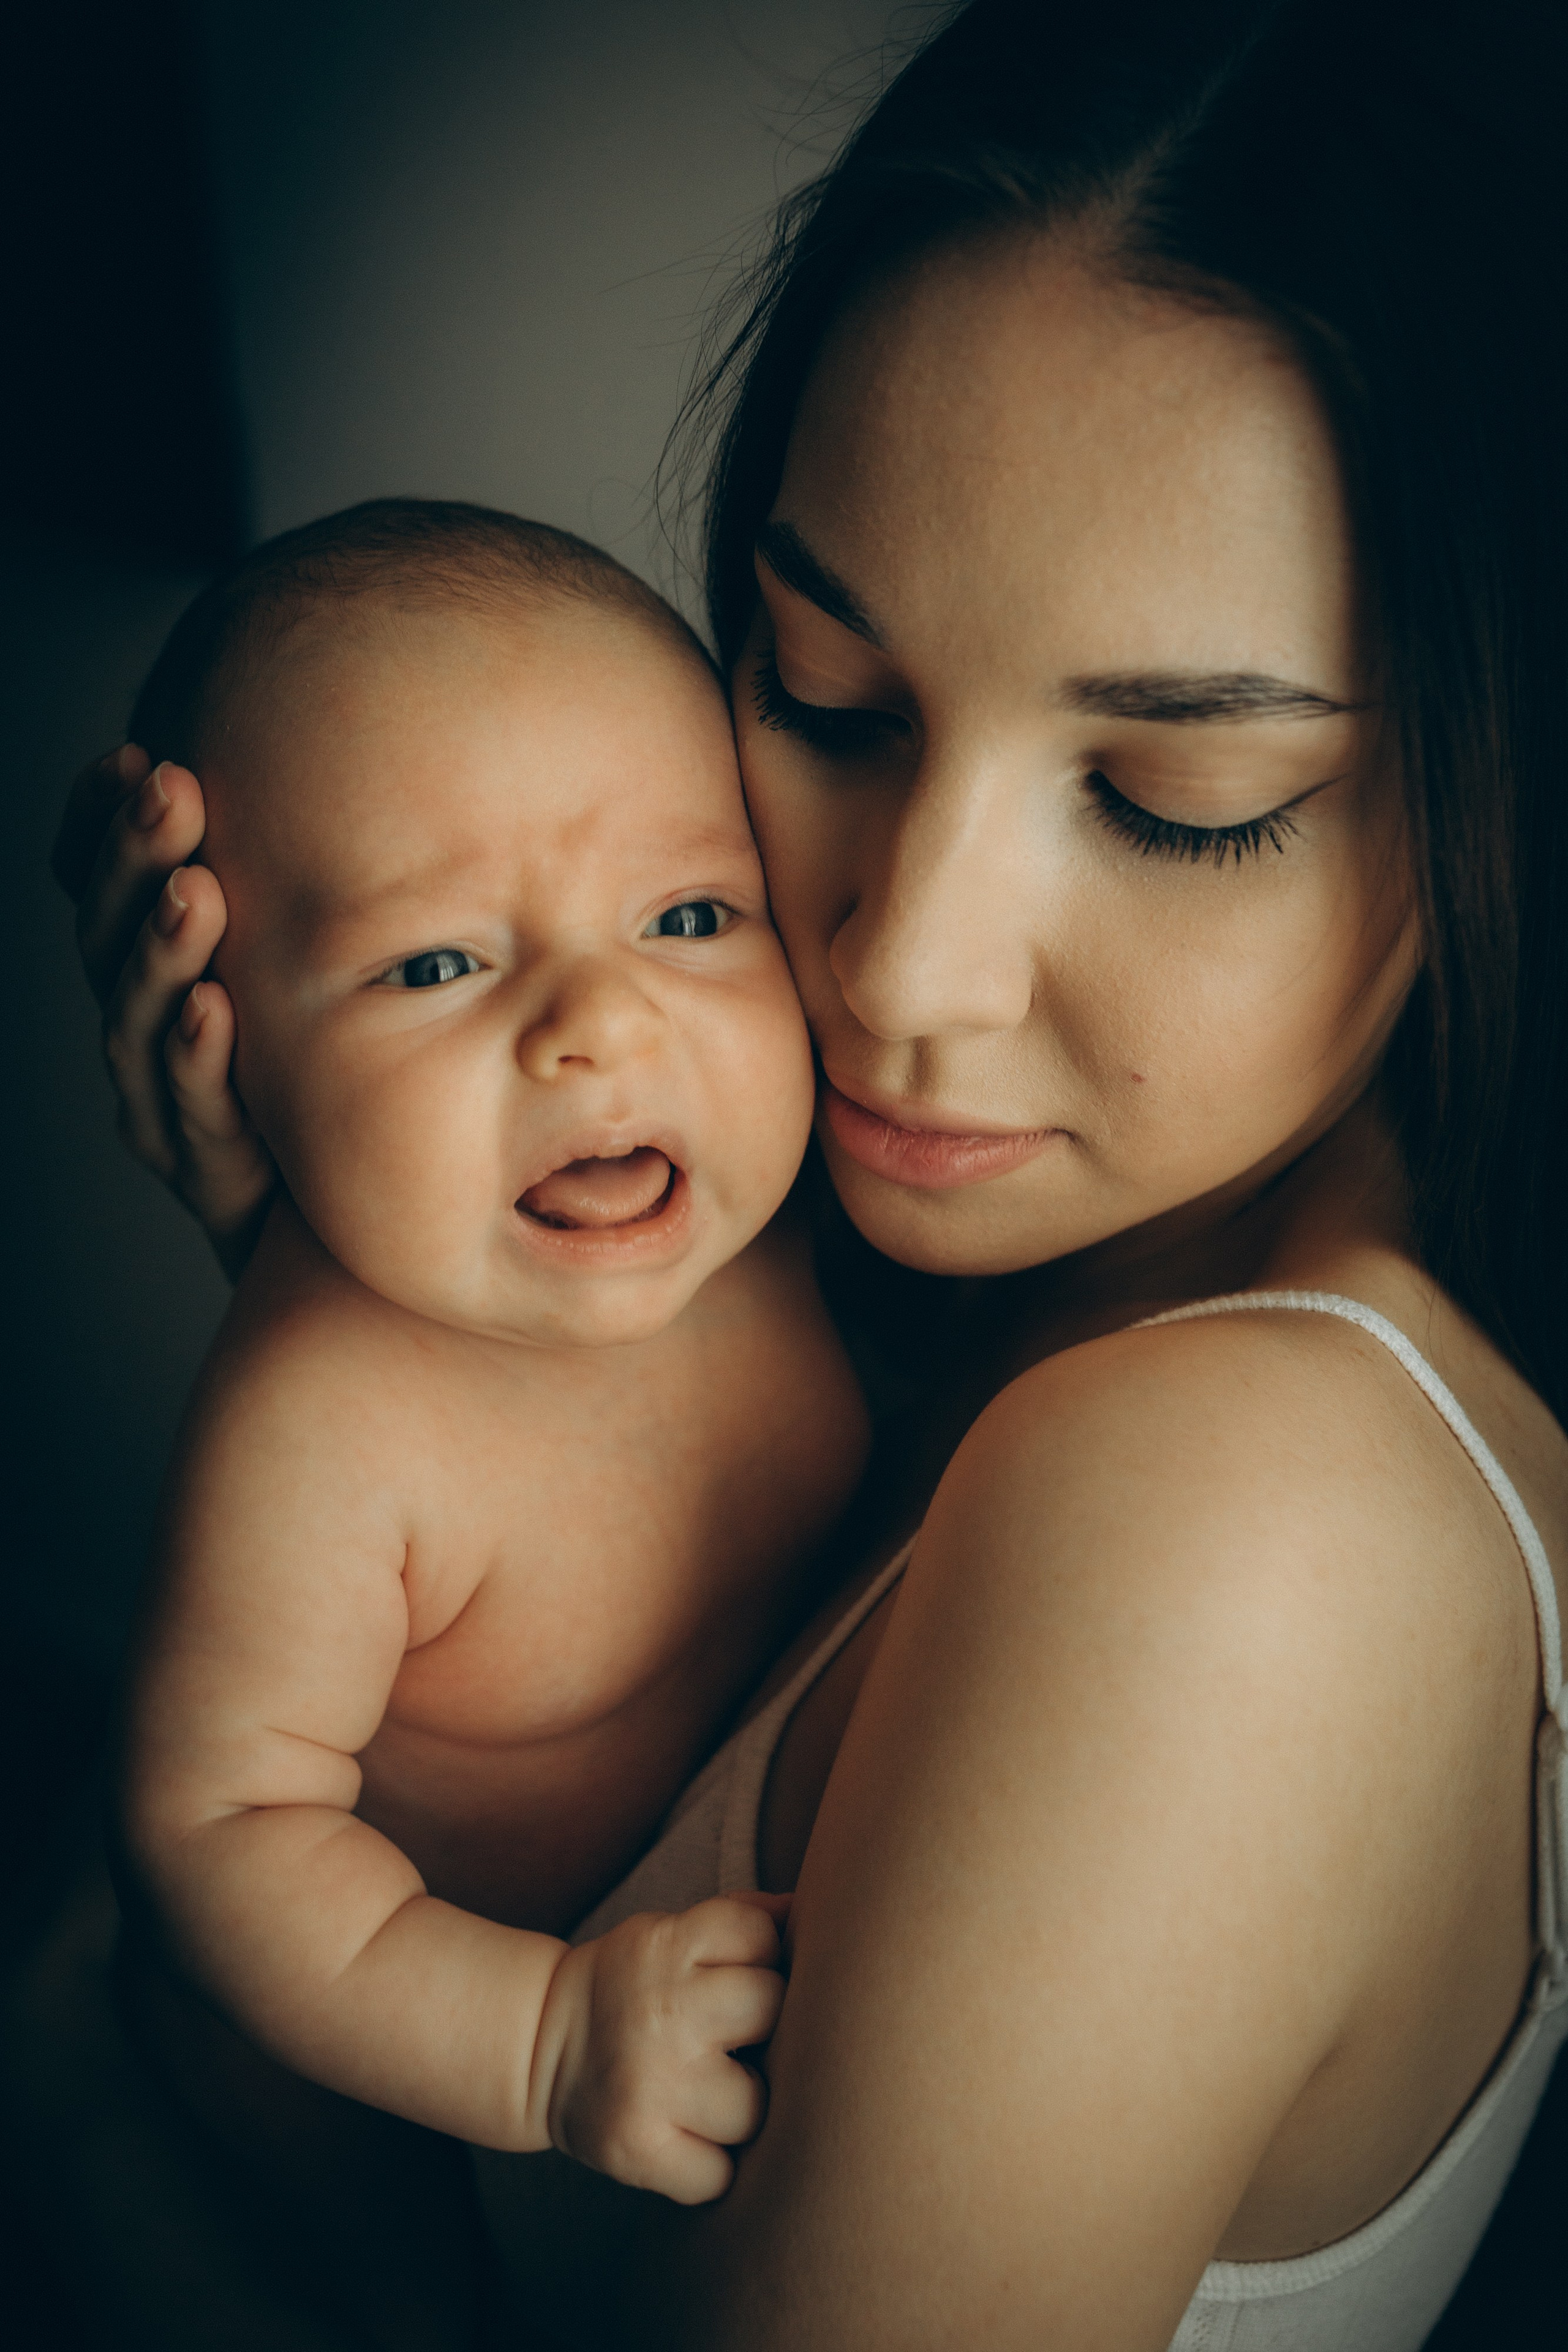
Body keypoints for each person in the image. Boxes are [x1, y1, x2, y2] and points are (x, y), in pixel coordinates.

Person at [52, 1, 1568, 2344]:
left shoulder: (1246, 1520)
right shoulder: (907, 1283)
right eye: (826, 699)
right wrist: (366, 1287)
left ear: (1498, 791)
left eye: (1172, 804)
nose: (894, 965)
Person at [112, 499, 869, 2209]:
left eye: (687, 917)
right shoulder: (329, 1418)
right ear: (231, 1060)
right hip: (339, 2090)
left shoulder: (803, 1229)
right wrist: (533, 2039)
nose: (600, 1024)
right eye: (436, 961)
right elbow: (218, 1829)